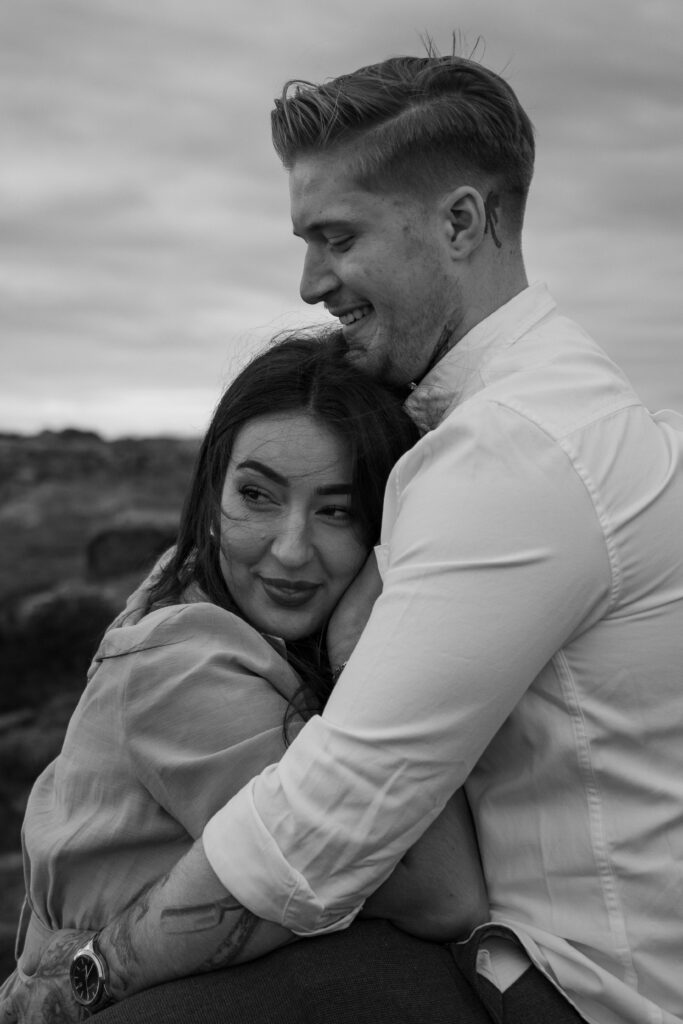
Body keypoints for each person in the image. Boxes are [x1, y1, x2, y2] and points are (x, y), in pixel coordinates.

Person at [3, 46, 683, 1024]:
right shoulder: (552, 415)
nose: (310, 279)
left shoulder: (512, 454)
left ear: (461, 221)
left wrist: (91, 972)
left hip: (566, 993)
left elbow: (322, 823)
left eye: (336, 236)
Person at [2, 330, 489, 1020]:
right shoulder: (184, 661)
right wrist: (368, 648)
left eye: (336, 510)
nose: (290, 551)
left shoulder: (214, 599)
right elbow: (441, 892)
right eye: (258, 496)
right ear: (211, 491)